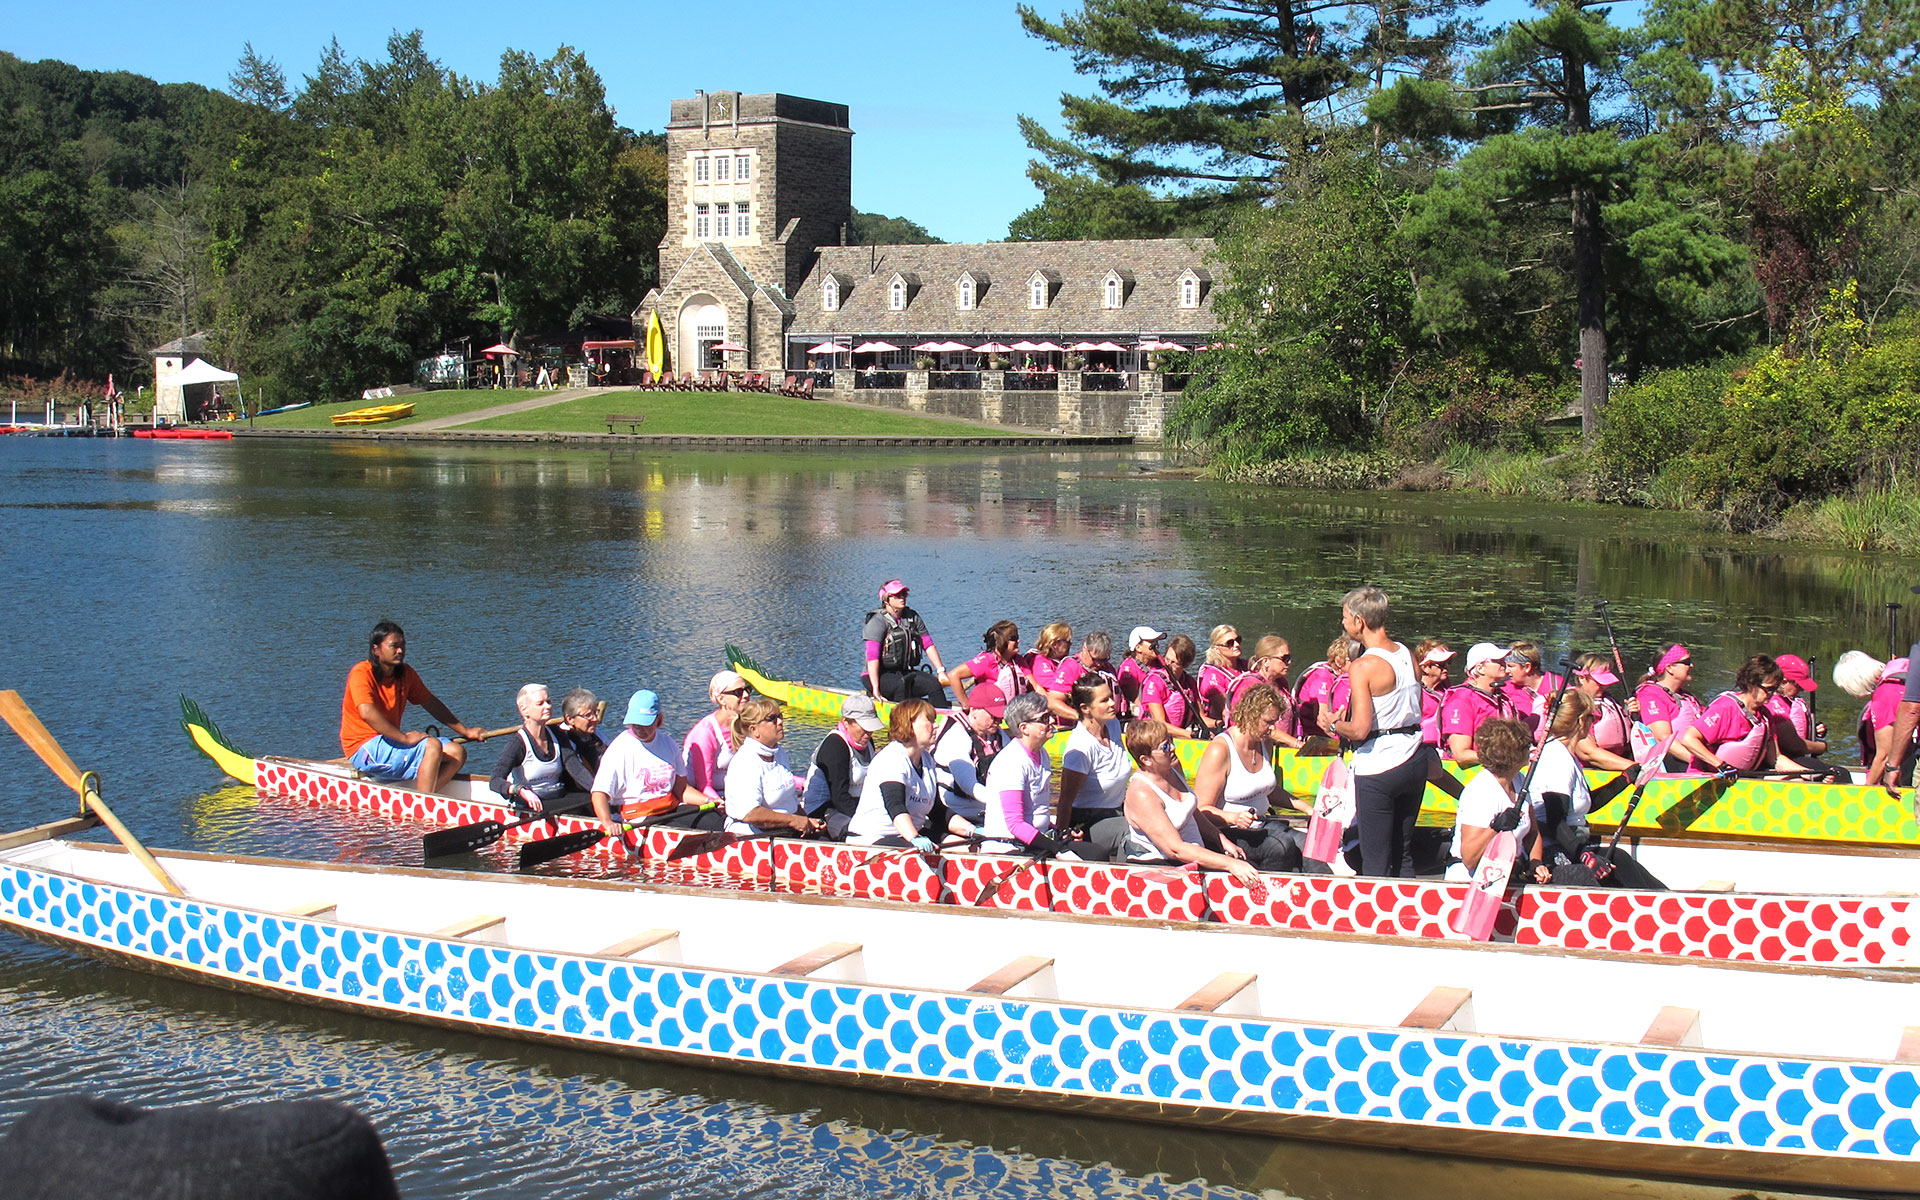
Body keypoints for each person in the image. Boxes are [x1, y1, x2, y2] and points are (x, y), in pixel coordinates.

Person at [1330, 586, 1433, 878]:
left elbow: (1360, 729)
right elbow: (1419, 706)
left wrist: (1333, 724)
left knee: (1375, 856)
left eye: (1345, 617)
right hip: (1414, 756)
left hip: (1380, 765)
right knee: (1403, 852)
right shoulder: (1406, 653)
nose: (1343, 623)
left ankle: (1371, 920)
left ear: (1359, 622)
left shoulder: (1363, 666)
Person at [1527, 692, 1666, 888]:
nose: (1594, 723)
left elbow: (1585, 804)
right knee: (1619, 862)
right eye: (1594, 717)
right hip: (1553, 853)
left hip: (1569, 845)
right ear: (1582, 720)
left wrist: (1624, 780)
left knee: (1620, 859)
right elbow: (1555, 821)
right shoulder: (1556, 758)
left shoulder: (1566, 755)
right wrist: (1585, 856)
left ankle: (1666, 897)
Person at [338, 621, 487, 793]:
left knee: (457, 752)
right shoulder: (362, 672)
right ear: (376, 650)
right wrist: (404, 738)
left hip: (389, 741)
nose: (400, 651)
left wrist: (465, 731)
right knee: (432, 746)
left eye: (402, 646)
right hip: (362, 746)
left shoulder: (406, 673)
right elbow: (367, 713)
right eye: (394, 646)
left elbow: (431, 703)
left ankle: (424, 794)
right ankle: (424, 803)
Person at [1122, 717, 1260, 883]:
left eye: (1170, 741)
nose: (1173, 748)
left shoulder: (1172, 767)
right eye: (1165, 747)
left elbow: (1192, 812)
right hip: (1161, 869)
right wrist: (1230, 864)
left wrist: (1221, 840)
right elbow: (1176, 849)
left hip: (1192, 857)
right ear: (1146, 760)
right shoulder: (1141, 793)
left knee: (1256, 861)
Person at [1192, 683, 1308, 872]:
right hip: (1226, 833)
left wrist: (1307, 807)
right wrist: (1233, 818)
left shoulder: (1264, 743)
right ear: (1250, 715)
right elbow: (1201, 811)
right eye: (1268, 722)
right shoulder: (1220, 750)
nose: (1272, 729)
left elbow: (1268, 791)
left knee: (1310, 848)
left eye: (1275, 722)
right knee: (1281, 845)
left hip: (1261, 825)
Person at [590, 690, 721, 839]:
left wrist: (709, 800)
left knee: (716, 822)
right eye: (636, 724)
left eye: (645, 724)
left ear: (659, 719)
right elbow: (598, 794)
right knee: (689, 836)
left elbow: (682, 789)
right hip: (638, 816)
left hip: (670, 807)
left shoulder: (668, 744)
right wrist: (608, 823)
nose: (640, 729)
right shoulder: (619, 750)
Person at [849, 699, 975, 848]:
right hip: (870, 839)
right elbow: (895, 806)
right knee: (930, 851)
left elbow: (937, 810)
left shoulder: (927, 759)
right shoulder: (892, 758)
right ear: (909, 725)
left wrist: (972, 831)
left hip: (908, 834)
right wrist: (914, 838)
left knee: (967, 846)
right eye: (930, 720)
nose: (937, 725)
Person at [1444, 719, 1551, 885]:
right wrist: (1495, 828)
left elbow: (1532, 833)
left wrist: (1535, 862)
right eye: (1526, 748)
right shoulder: (1480, 792)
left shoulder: (1520, 781)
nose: (1531, 751)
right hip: (1470, 880)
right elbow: (1470, 858)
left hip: (1504, 876)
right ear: (1513, 755)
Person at [1675, 655, 1807, 776]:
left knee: (1800, 781)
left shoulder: (1765, 715)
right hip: (1709, 779)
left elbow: (1776, 759)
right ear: (1751, 684)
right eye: (1768, 689)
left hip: (1742, 780)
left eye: (1774, 689)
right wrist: (1721, 766)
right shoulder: (1725, 707)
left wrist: (1809, 774)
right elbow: (1689, 739)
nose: (1772, 694)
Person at [1053, 675, 1134, 862]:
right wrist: (1061, 844)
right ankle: (1121, 880)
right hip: (1085, 822)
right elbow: (1065, 801)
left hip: (1116, 813)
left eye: (1111, 697)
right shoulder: (1080, 748)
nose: (1113, 703)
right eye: (1104, 700)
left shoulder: (1112, 725)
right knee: (1135, 830)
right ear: (1085, 709)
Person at [978, 692, 1067, 856]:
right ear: (1024, 728)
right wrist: (1057, 849)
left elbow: (1037, 811)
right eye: (1045, 718)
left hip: (1032, 843)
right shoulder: (1012, 762)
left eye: (1051, 715)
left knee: (1096, 852)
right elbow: (1015, 825)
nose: (1053, 721)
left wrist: (1058, 831)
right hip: (1006, 849)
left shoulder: (1042, 754)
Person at [489, 684, 596, 816]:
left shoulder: (558, 734)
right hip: (531, 805)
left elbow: (577, 770)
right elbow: (495, 781)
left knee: (595, 801)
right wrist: (520, 790)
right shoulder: (517, 744)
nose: (548, 706)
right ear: (524, 710)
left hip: (559, 797)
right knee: (579, 808)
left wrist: (598, 791)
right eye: (540, 703)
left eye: (549, 702)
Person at [723, 697, 821, 838]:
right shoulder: (745, 762)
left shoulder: (779, 753)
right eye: (772, 719)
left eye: (780, 716)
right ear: (754, 730)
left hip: (783, 831)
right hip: (750, 836)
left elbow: (790, 800)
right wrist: (794, 820)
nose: (780, 722)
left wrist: (808, 822)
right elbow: (751, 814)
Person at [801, 693, 884, 840]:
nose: (869, 733)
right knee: (864, 831)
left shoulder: (867, 742)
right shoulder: (835, 745)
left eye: (870, 727)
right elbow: (840, 798)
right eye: (863, 726)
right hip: (824, 809)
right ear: (846, 722)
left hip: (853, 803)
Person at [863, 580, 950, 703]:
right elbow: (872, 658)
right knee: (901, 685)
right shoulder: (877, 622)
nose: (902, 598)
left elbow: (928, 644)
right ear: (886, 599)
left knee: (934, 685)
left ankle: (943, 718)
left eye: (904, 594)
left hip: (904, 672)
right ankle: (901, 718)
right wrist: (875, 689)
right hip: (877, 675)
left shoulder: (912, 617)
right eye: (897, 595)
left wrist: (941, 671)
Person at [932, 682, 1007, 825]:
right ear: (974, 711)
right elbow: (969, 786)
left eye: (1000, 715)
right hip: (957, 813)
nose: (999, 720)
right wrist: (1005, 801)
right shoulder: (956, 736)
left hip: (988, 807)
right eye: (993, 715)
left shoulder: (997, 734)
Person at [1768, 652, 1844, 780]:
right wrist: (1821, 747)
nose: (1802, 690)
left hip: (1798, 756)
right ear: (1784, 681)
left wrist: (1814, 729)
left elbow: (1797, 729)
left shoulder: (1791, 702)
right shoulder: (1774, 705)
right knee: (1841, 774)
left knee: (1839, 772)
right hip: (1787, 758)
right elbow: (1793, 745)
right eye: (1798, 685)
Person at [1441, 642, 1519, 764]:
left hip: (1500, 767)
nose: (1503, 663)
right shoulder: (1461, 700)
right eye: (1497, 660)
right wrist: (1503, 758)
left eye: (1502, 660)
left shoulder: (1502, 698)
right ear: (1480, 668)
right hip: (1469, 773)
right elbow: (1461, 754)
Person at [685, 670, 751, 800]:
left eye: (747, 690)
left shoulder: (748, 724)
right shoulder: (705, 732)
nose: (746, 695)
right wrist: (720, 803)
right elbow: (704, 785)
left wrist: (801, 783)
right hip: (707, 796)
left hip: (738, 791)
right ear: (721, 699)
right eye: (738, 692)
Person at [1565, 654, 1638, 770]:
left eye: (1606, 682)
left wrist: (1633, 716)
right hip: (1590, 770)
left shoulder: (1608, 700)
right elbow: (1587, 752)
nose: (1605, 686)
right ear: (1582, 678)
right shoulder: (1574, 705)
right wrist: (1634, 767)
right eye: (1599, 682)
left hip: (1619, 763)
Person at [1636, 644, 1704, 754]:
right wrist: (1706, 762)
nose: (1691, 665)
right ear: (1669, 667)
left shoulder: (1687, 697)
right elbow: (1663, 738)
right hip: (1676, 763)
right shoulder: (1651, 695)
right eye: (1686, 662)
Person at [949, 619, 1030, 710]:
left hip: (1016, 710)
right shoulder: (986, 660)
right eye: (1014, 638)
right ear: (1002, 641)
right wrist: (966, 705)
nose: (1018, 641)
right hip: (990, 712)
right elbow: (953, 675)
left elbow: (1036, 687)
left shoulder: (1019, 660)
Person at [1045, 631, 1119, 724]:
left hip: (1108, 723)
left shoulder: (1107, 668)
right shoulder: (1070, 668)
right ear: (1085, 649)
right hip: (1077, 726)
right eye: (1095, 659)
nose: (1099, 664)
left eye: (1103, 659)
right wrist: (1081, 716)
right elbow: (1052, 702)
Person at [1138, 633, 1205, 735]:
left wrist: (1218, 723)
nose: (1168, 665)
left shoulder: (1189, 682)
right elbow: (1159, 723)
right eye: (1167, 659)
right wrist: (1188, 734)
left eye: (1174, 662)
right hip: (1155, 736)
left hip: (1180, 736)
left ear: (1186, 665)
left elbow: (1202, 718)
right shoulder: (1154, 683)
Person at [1291, 638, 1351, 740]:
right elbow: (1322, 720)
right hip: (1311, 737)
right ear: (1338, 661)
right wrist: (1347, 740)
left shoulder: (1341, 678)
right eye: (1353, 659)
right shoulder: (1323, 677)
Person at [1503, 642, 1563, 739]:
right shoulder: (1505, 690)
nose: (1506, 671)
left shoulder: (1557, 684)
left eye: (1511, 666)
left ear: (1527, 667)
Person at [1197, 625, 1251, 733]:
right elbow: (1226, 711)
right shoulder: (1212, 676)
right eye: (1230, 643)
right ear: (1216, 649)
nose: (1237, 645)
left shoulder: (1246, 666)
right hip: (1225, 730)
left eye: (1238, 640)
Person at [556, 687, 607, 777]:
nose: (595, 719)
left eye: (595, 713)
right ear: (570, 719)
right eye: (588, 715)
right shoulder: (564, 741)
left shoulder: (596, 735)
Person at [1116, 626, 1165, 716]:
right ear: (1138, 647)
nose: (1156, 645)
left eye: (1157, 641)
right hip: (1143, 715)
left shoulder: (1160, 663)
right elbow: (1135, 700)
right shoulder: (1128, 668)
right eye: (1152, 642)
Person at [1414, 640, 1454, 749]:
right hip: (1422, 746)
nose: (1446, 667)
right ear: (1425, 667)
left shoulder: (1445, 686)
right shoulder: (1416, 691)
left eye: (1448, 662)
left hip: (1444, 745)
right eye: (1441, 664)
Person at [1028, 622, 1074, 696]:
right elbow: (1053, 686)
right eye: (1067, 641)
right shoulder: (1040, 662)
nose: (1070, 644)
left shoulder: (1059, 661)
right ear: (1055, 644)